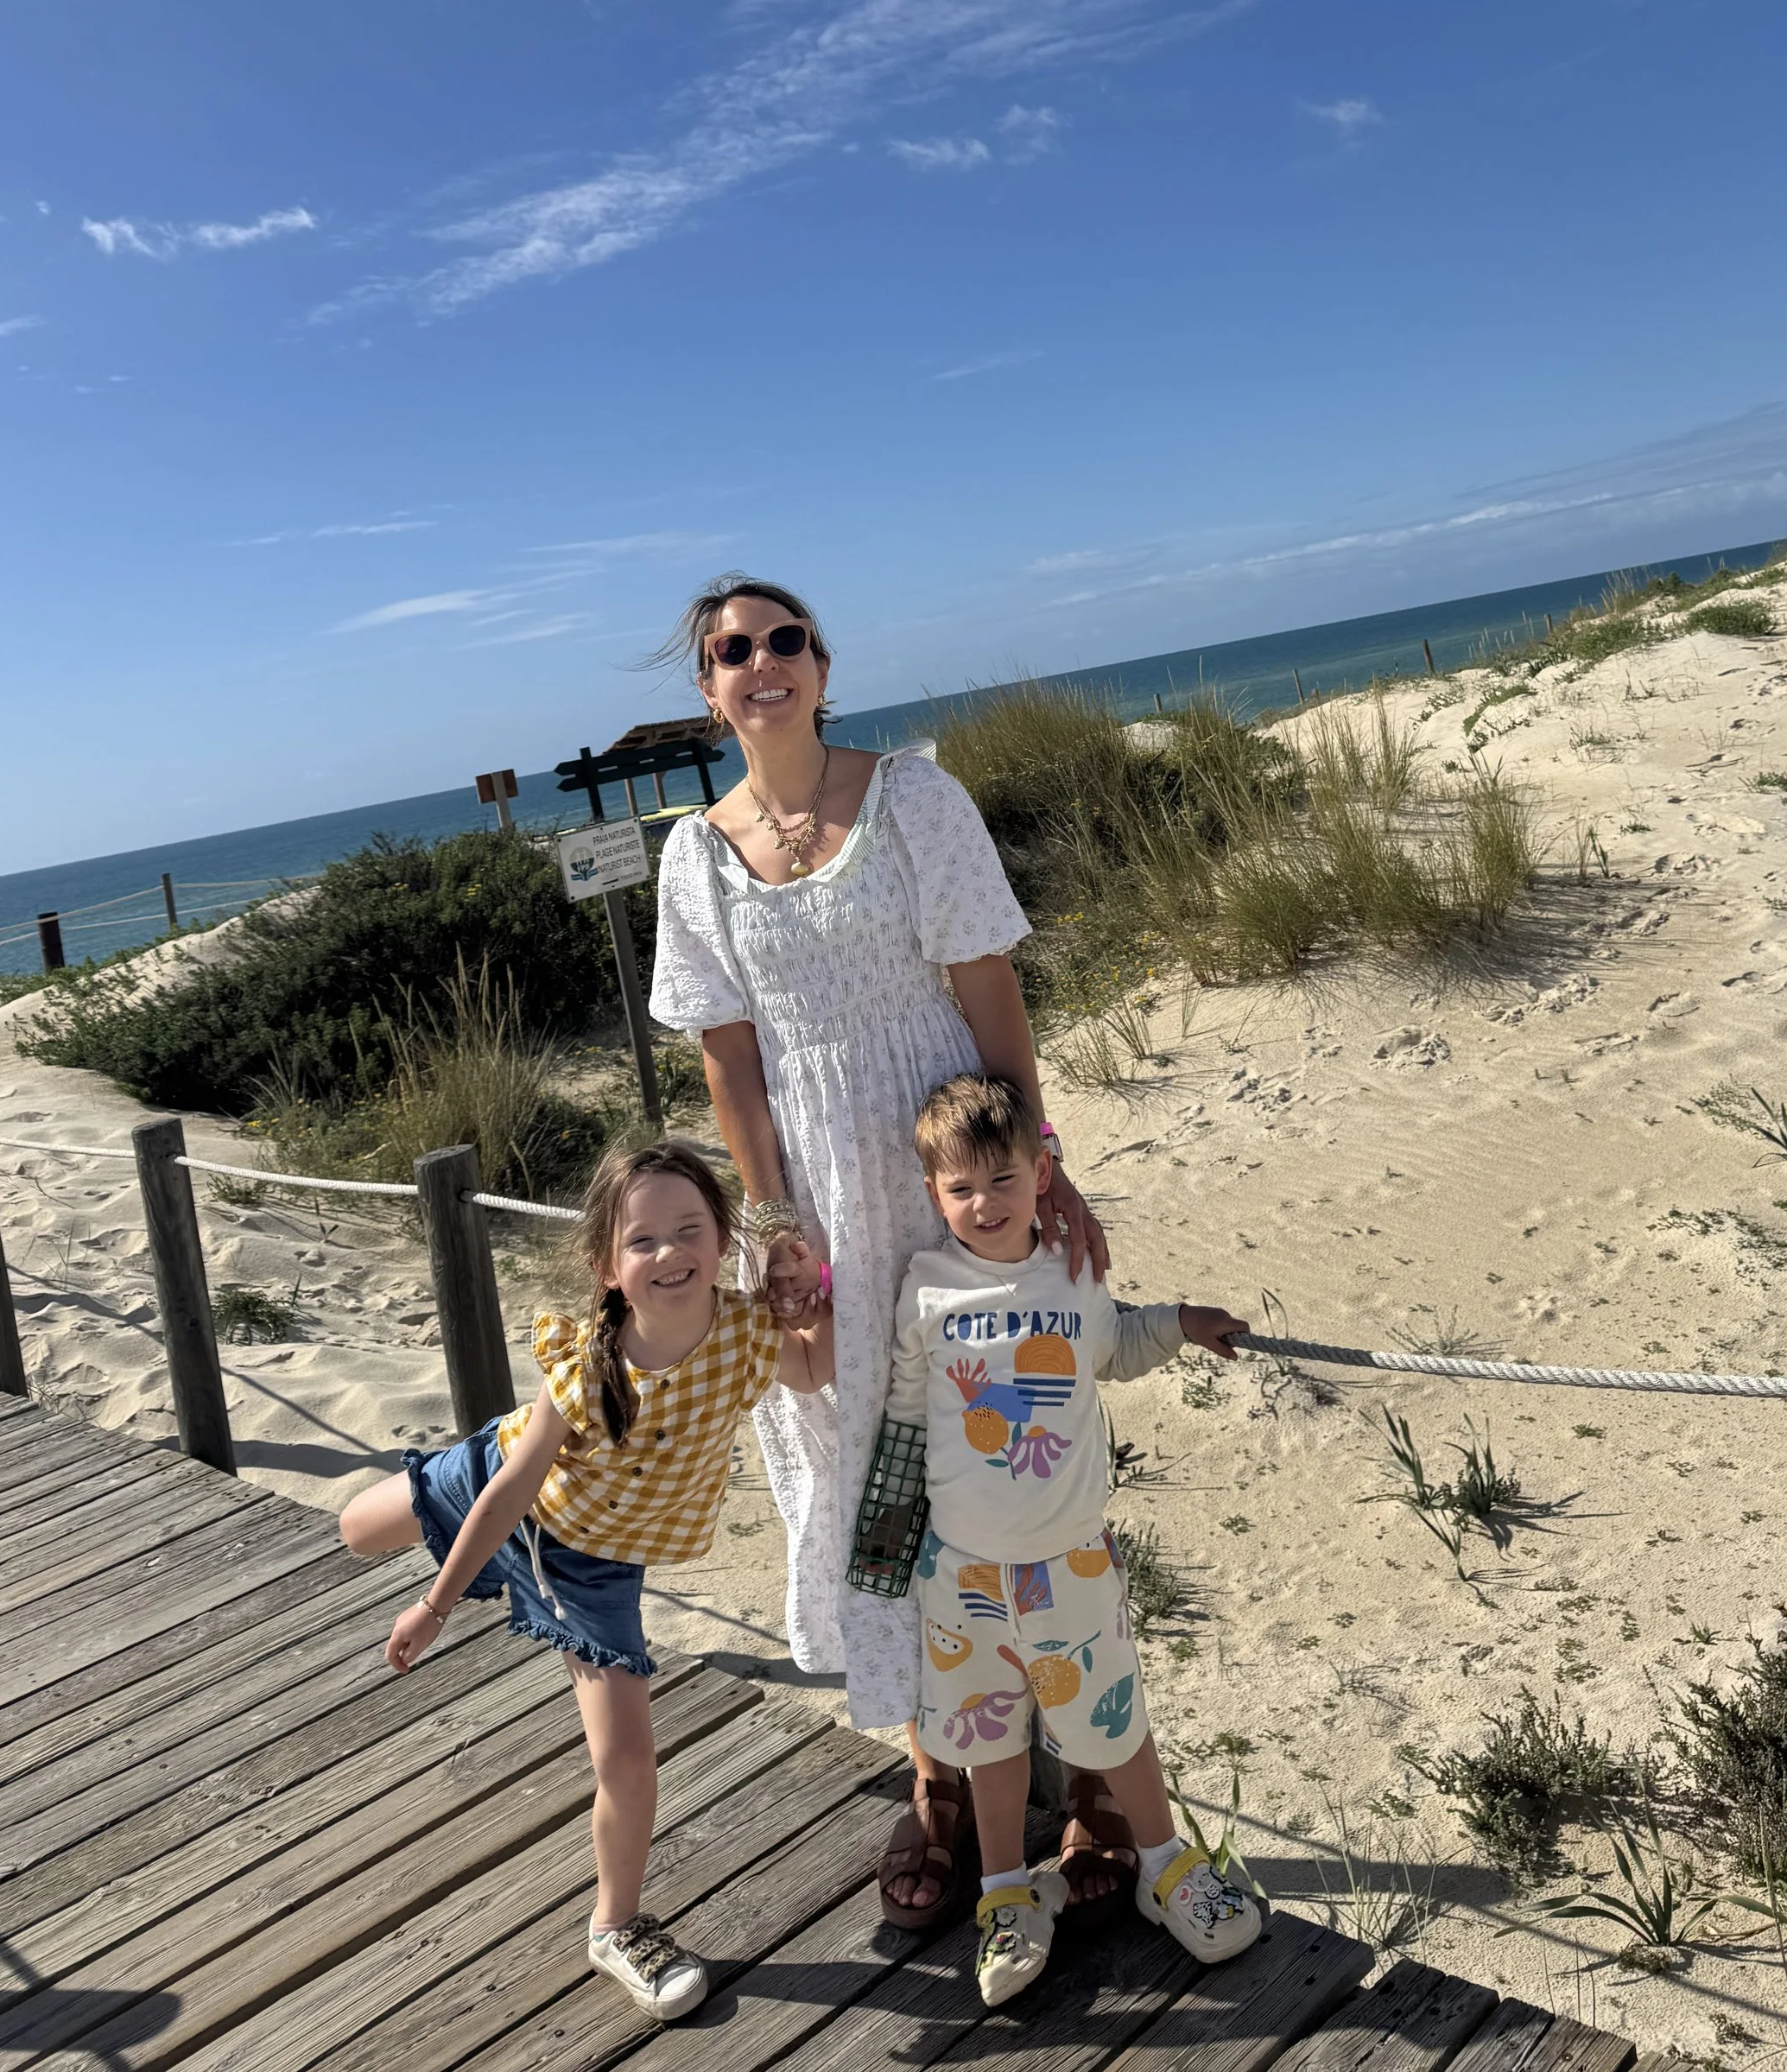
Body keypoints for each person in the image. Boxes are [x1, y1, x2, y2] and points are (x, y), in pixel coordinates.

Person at [647, 573, 1131, 1932]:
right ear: (708, 688)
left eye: (782, 640)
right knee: (874, 1479)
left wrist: (1039, 1167)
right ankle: (939, 1782)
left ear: (820, 661)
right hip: (822, 1218)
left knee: (1016, 1457)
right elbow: (729, 1062)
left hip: (948, 1182)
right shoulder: (695, 855)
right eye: (729, 651)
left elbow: (990, 993)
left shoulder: (914, 799)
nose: (761, 663)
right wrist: (775, 1225)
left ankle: (1093, 1778)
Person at [338, 1141, 832, 2021]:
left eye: (690, 1231)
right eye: (642, 1241)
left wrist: (808, 1292)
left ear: (723, 1240)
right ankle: (436, 1485)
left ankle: (616, 1927)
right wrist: (432, 1605)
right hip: (506, 1487)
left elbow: (814, 1364)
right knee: (355, 1530)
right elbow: (505, 1497)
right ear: (606, 1265)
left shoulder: (745, 1336)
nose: (670, 1254)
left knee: (628, 1758)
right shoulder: (587, 1371)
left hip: (589, 1567)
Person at [874, 1072, 1264, 2005]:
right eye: (961, 1188)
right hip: (959, 1571)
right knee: (989, 1737)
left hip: (1072, 1563)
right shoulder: (924, 1288)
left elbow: (1116, 1347)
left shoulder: (1071, 1273)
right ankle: (1006, 1892)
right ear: (933, 1193)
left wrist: (1184, 1323)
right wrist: (887, 1535)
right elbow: (900, 1413)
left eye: (1003, 1180)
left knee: (1112, 1719)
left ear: (1041, 1171)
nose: (984, 1204)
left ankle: (1166, 1864)